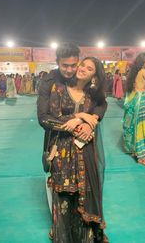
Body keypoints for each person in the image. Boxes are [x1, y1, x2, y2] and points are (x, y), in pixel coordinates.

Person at [37, 43, 108, 242]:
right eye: (64, 65)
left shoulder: (89, 87)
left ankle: (85, 235)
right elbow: (44, 118)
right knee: (63, 194)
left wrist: (92, 121)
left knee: (84, 191)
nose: (70, 70)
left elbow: (102, 103)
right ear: (57, 62)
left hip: (85, 149)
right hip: (60, 147)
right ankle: (62, 233)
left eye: (73, 65)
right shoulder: (50, 82)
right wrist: (79, 117)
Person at [123, 52, 145, 167]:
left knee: (137, 127)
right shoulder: (143, 72)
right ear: (143, 61)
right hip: (142, 101)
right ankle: (142, 158)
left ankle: (137, 151)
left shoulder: (136, 72)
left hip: (135, 100)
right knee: (144, 128)